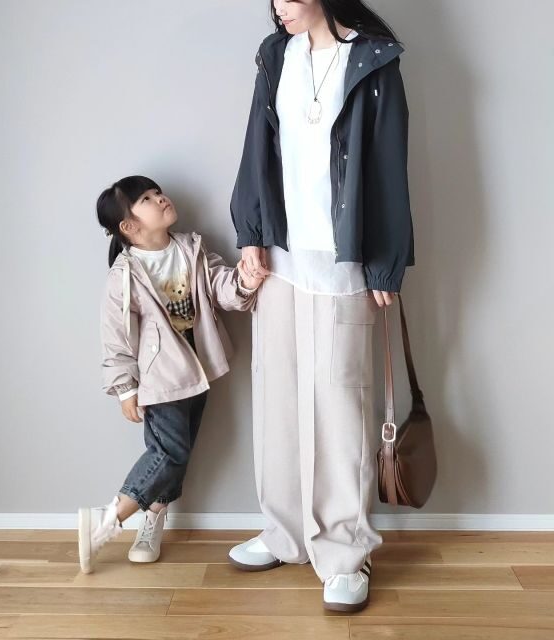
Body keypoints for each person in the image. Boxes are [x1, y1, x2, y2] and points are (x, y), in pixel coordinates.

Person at [228, 0, 415, 612]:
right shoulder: (275, 55)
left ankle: (344, 551)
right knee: (277, 397)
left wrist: (385, 260)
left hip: (343, 260)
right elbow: (257, 146)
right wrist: (251, 234)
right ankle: (284, 532)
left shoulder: (373, 60)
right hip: (280, 258)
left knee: (340, 407)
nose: (279, 6)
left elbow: (389, 164)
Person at [78, 175, 265, 573]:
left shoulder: (191, 248)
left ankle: (154, 518)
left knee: (180, 456)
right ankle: (107, 519)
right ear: (129, 226)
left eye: (157, 192)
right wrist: (125, 389)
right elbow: (115, 338)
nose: (160, 198)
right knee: (169, 453)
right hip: (160, 379)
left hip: (199, 370)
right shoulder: (124, 274)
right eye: (146, 198)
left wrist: (245, 282)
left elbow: (220, 287)